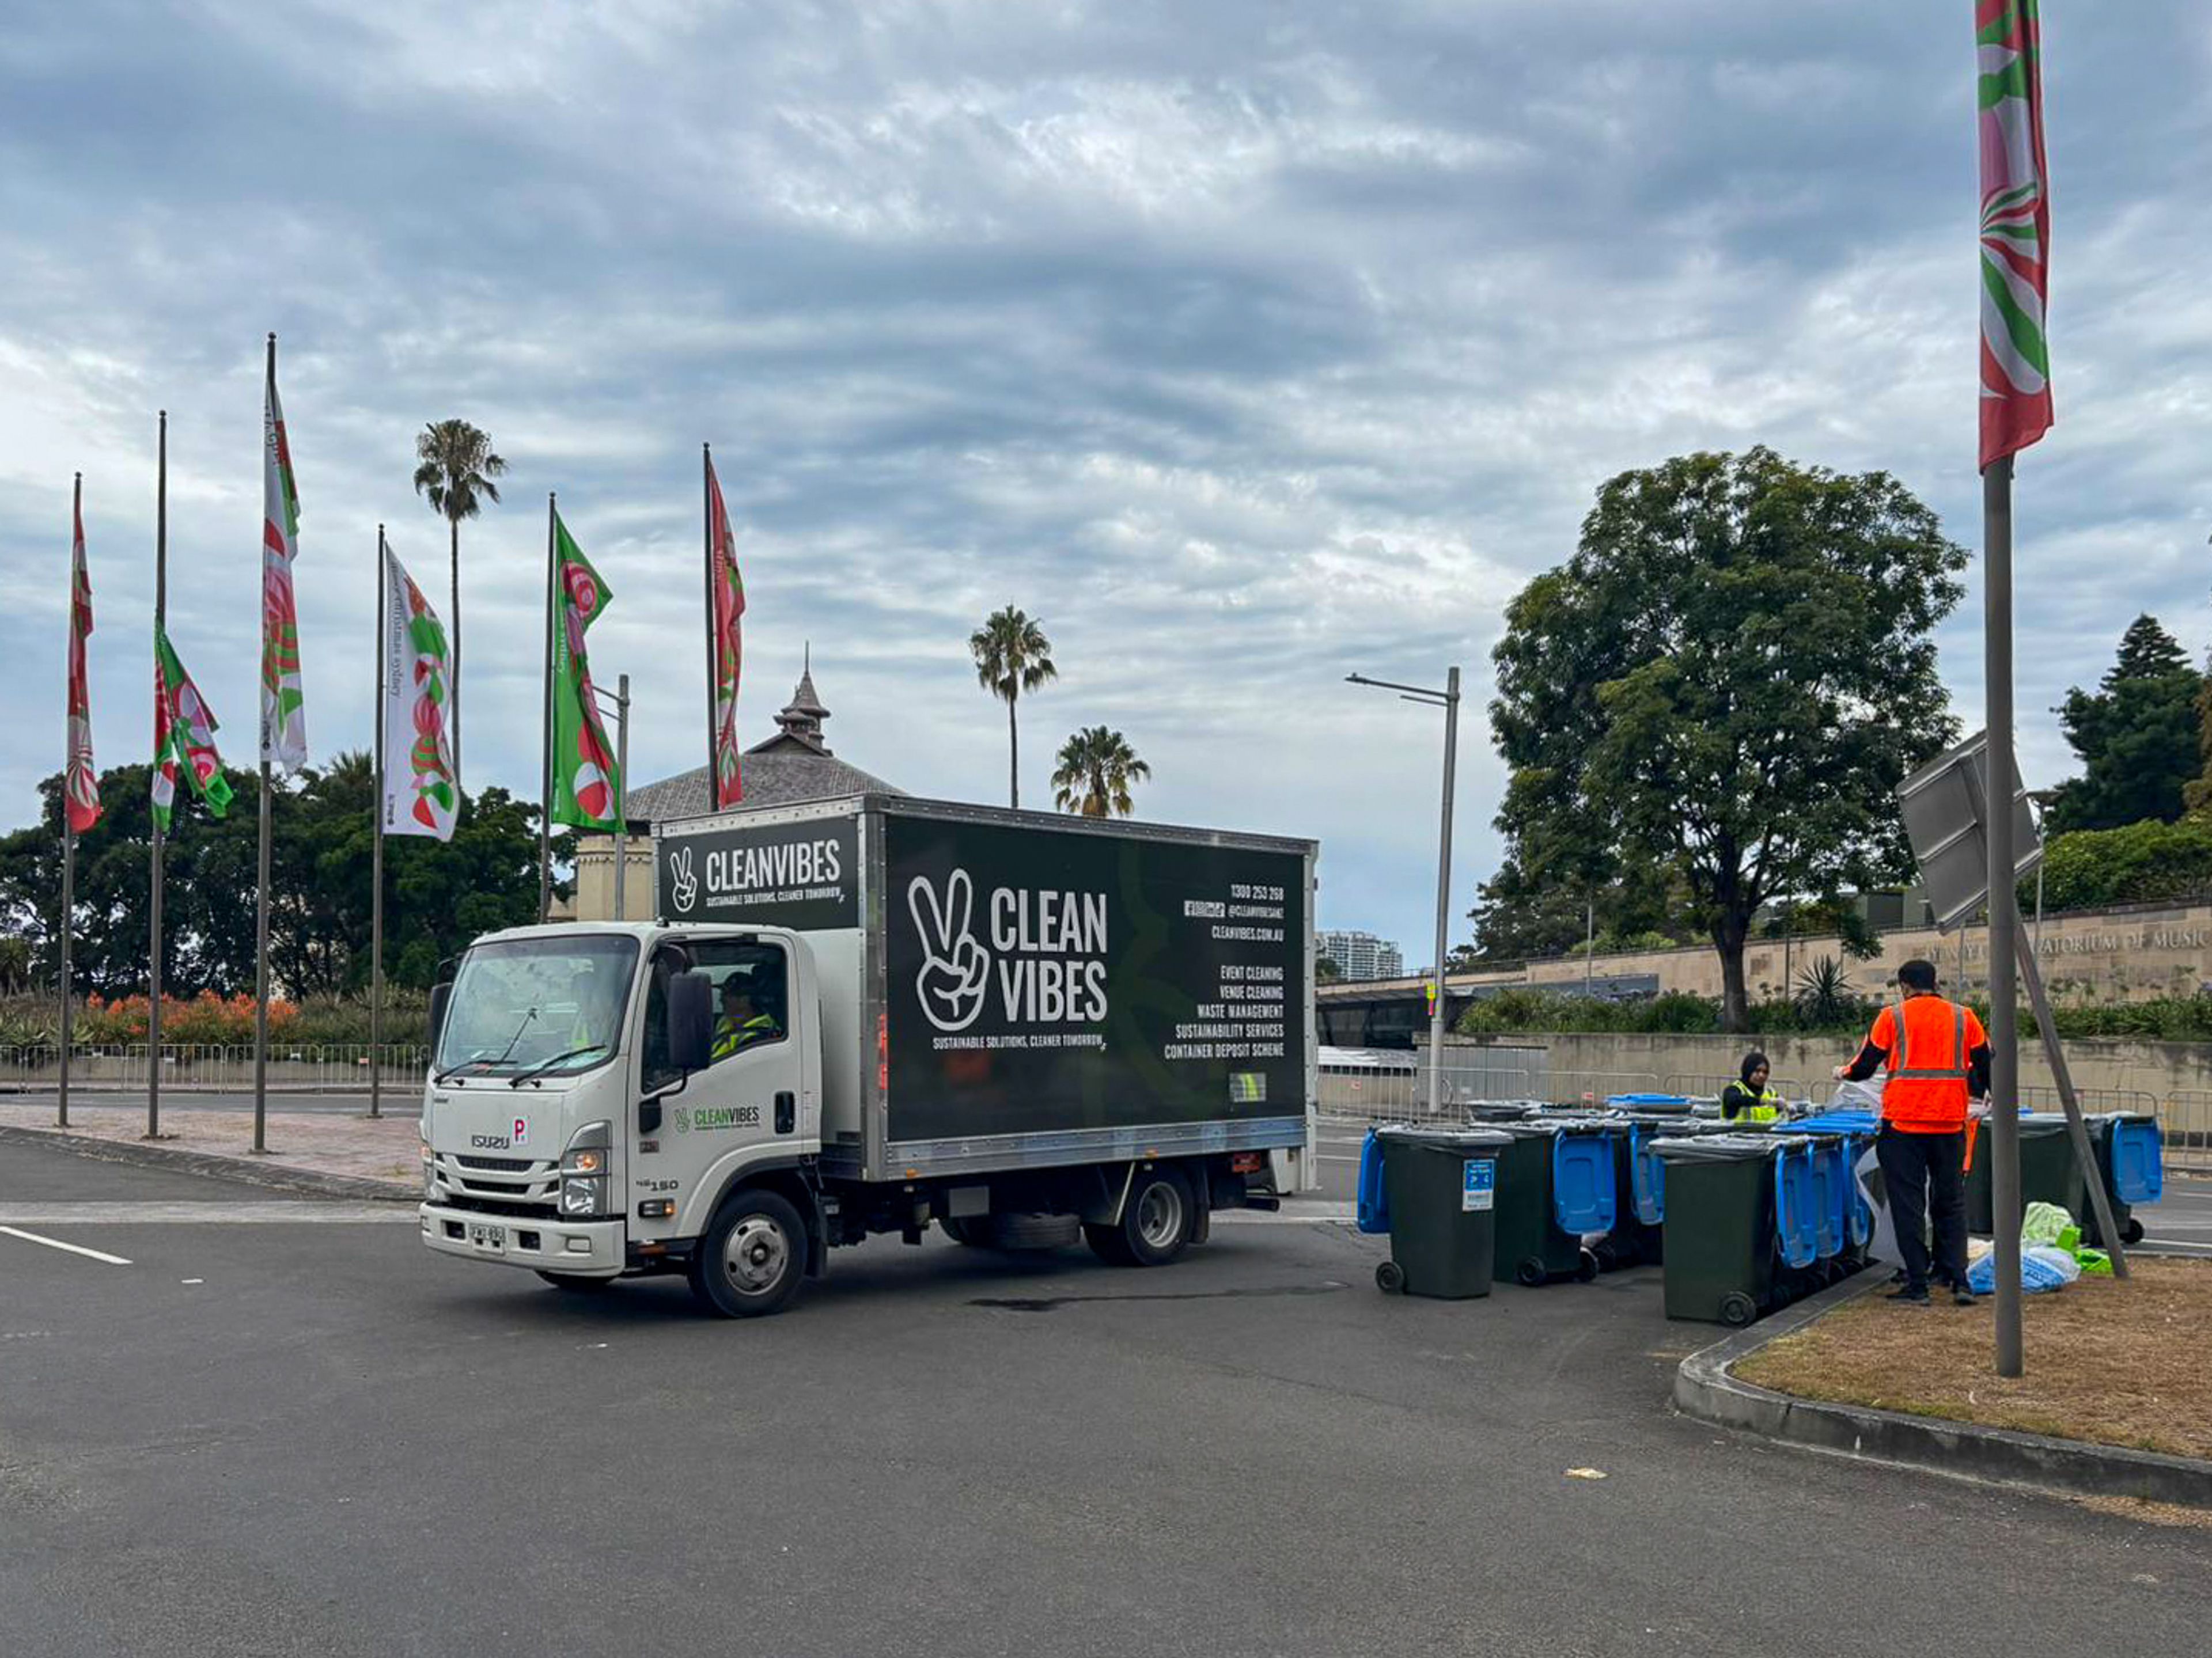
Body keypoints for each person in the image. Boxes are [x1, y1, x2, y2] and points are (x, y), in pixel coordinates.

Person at [1833, 958, 1991, 1307]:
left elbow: (1864, 1067)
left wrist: (1843, 1072)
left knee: (1909, 1205)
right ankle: (1958, 1279)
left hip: (1904, 1124)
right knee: (1951, 1202)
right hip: (1951, 1123)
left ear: (1904, 986)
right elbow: (1985, 1061)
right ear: (1935, 983)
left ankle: (1918, 1283)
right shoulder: (1965, 1017)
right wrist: (1984, 1092)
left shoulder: (1894, 1017)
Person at [711, 974, 778, 1060]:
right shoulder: (726, 1020)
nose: (721, 999)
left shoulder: (760, 1036)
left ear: (745, 1000)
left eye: (728, 995)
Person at [1720, 1052, 1782, 1124]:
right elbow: (1734, 1100)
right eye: (1757, 1071)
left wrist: (1788, 1110)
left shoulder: (1771, 1093)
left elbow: (1781, 1117)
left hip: (1767, 1134)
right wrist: (1765, 1102)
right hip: (1738, 1134)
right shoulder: (1733, 1090)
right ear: (1748, 1071)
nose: (1762, 1075)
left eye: (1765, 1072)